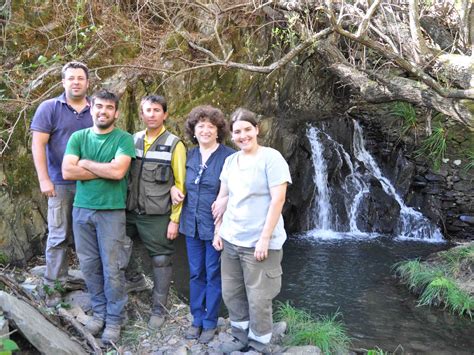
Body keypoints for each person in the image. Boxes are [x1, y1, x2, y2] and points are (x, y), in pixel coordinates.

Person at [212, 108, 291, 353]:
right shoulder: (230, 161)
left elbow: (278, 200)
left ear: (257, 129)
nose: (243, 135)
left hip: (260, 241)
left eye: (247, 129)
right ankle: (239, 335)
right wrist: (218, 231)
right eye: (237, 132)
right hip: (231, 238)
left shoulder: (271, 158)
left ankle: (259, 343)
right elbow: (222, 197)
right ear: (231, 135)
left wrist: (264, 239)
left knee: (258, 298)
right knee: (232, 292)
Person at [62, 90, 135, 344]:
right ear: (91, 108)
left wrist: (86, 163)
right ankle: (99, 313)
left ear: (116, 112)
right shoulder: (78, 137)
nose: (103, 111)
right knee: (90, 266)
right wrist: (103, 168)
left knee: (113, 268)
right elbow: (67, 171)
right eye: (99, 106)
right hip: (82, 210)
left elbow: (118, 172)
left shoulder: (124, 139)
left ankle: (115, 319)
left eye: (109, 108)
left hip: (111, 211)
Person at [31, 61, 93, 307]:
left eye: (80, 78)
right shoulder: (49, 108)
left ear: (87, 83)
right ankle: (53, 284)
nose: (76, 82)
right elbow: (38, 145)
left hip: (90, 183)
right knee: (58, 235)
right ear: (63, 82)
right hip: (59, 183)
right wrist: (44, 179)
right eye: (71, 78)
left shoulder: (95, 109)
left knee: (87, 236)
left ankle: (89, 282)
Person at [125, 95, 186, 329]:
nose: (151, 114)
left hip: (158, 213)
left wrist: (175, 220)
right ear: (141, 113)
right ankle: (134, 280)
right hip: (131, 209)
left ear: (165, 114)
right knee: (118, 244)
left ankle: (159, 309)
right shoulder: (133, 140)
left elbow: (180, 185)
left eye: (156, 110)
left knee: (161, 259)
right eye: (147, 110)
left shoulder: (174, 144)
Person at [176, 106, 235, 344]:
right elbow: (177, 181)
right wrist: (172, 189)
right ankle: (196, 318)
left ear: (218, 130)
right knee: (195, 272)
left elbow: (239, 189)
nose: (205, 130)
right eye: (200, 126)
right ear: (194, 130)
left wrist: (226, 200)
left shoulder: (229, 156)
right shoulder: (188, 156)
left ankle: (210, 322)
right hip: (191, 224)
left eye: (210, 126)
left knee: (213, 273)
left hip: (217, 228)